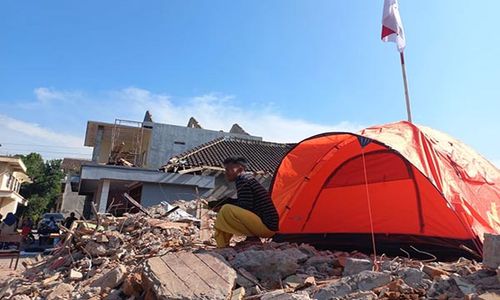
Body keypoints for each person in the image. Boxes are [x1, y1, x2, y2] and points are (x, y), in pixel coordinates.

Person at [212, 156, 279, 248]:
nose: (226, 173)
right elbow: (247, 203)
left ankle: (222, 245)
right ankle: (225, 245)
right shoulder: (246, 179)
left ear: (240, 169)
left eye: (228, 170)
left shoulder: (243, 180)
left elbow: (245, 205)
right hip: (269, 226)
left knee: (226, 209)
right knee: (226, 210)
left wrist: (221, 207)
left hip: (266, 227)